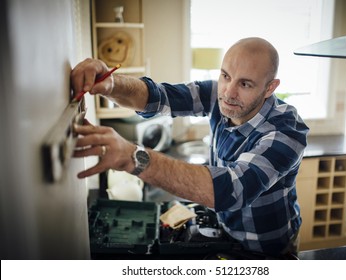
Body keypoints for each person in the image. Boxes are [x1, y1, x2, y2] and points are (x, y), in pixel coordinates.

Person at [71, 37, 309, 257]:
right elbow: (159, 97)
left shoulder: (287, 131)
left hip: (267, 247)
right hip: (226, 231)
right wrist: (112, 84)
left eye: (245, 84)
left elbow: (233, 190)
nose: (228, 92)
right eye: (225, 75)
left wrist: (132, 156)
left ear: (270, 88)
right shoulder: (220, 93)